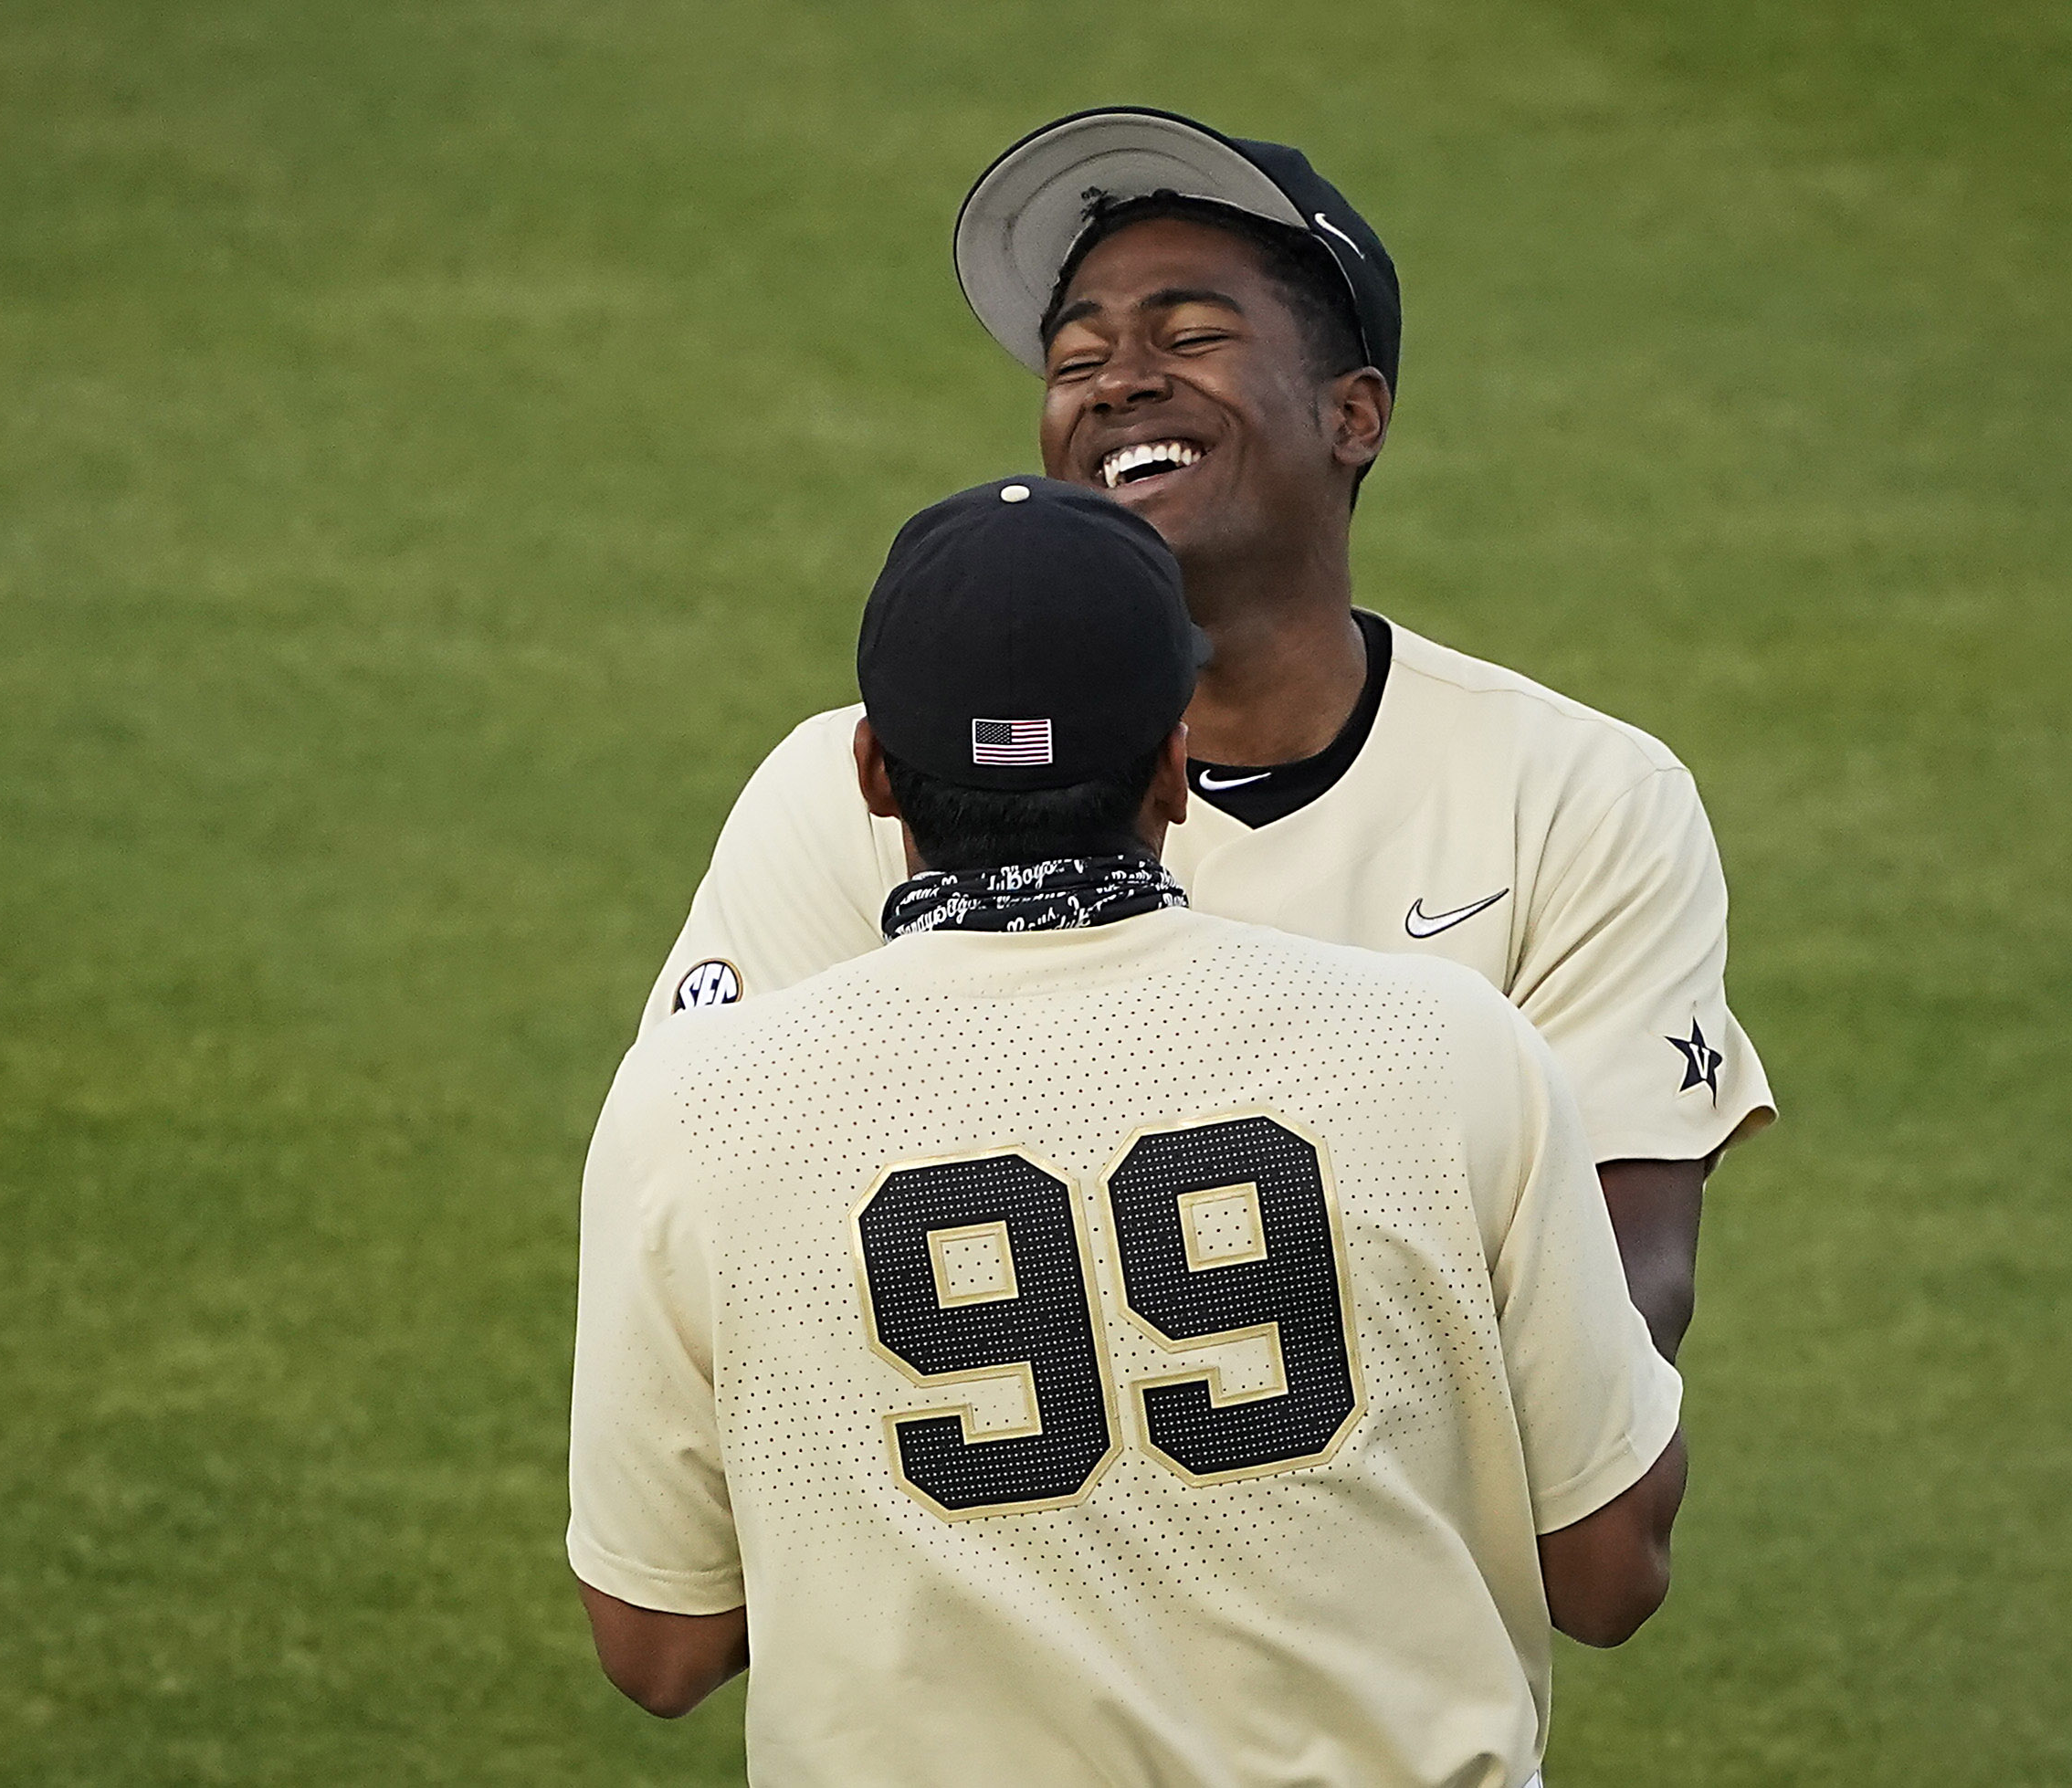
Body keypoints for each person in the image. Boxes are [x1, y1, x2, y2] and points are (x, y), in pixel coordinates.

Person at [570, 477, 1688, 1787]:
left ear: (871, 771)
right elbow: (1610, 1574)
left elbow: (658, 1646)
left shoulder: (695, 1105)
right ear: (1174, 758)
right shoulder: (1450, 1045)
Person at [638, 108, 1774, 1365]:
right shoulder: (856, 780)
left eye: (1189, 336)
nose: (1117, 380)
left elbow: (1622, 1301)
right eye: (1076, 360)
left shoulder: (1575, 797)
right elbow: (704, 1230)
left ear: (1354, 416)